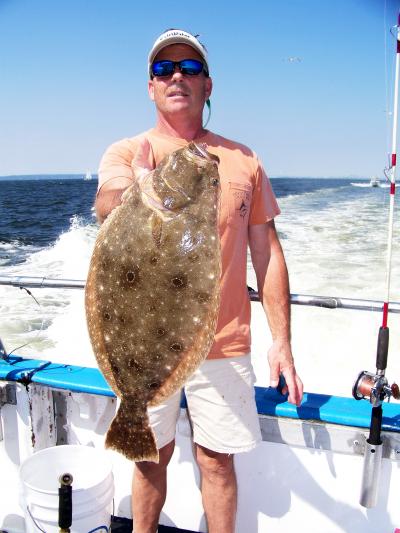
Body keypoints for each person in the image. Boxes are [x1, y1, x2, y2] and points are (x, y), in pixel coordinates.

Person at [95, 28, 303, 533]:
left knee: (217, 462)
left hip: (225, 340)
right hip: (145, 340)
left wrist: (283, 342)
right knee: (150, 457)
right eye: (164, 69)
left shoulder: (244, 159)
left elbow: (267, 253)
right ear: (150, 87)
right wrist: (138, 193)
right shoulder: (128, 152)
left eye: (189, 68)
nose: (176, 77)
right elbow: (106, 208)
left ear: (208, 85)